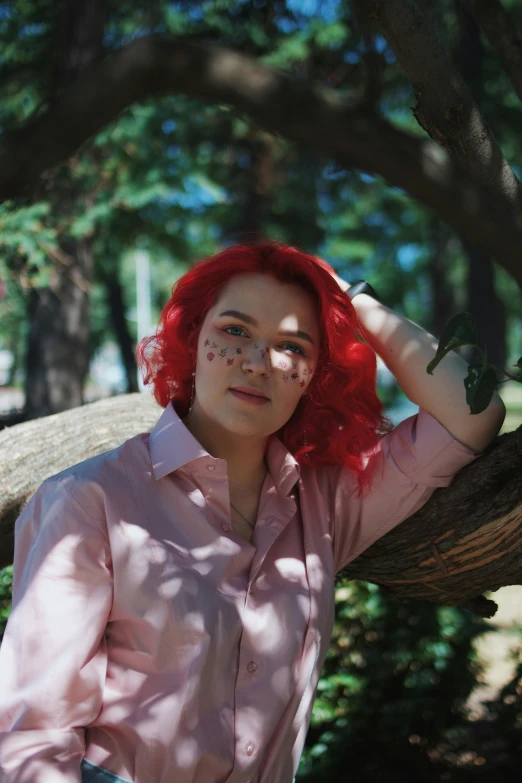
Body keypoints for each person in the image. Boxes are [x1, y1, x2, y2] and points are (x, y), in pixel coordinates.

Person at [0, 241, 505, 783]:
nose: (258, 363)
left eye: (292, 346)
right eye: (235, 330)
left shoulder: (325, 502)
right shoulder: (90, 498)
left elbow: (471, 413)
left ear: (316, 373)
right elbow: (32, 730)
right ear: (193, 337)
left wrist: (351, 300)